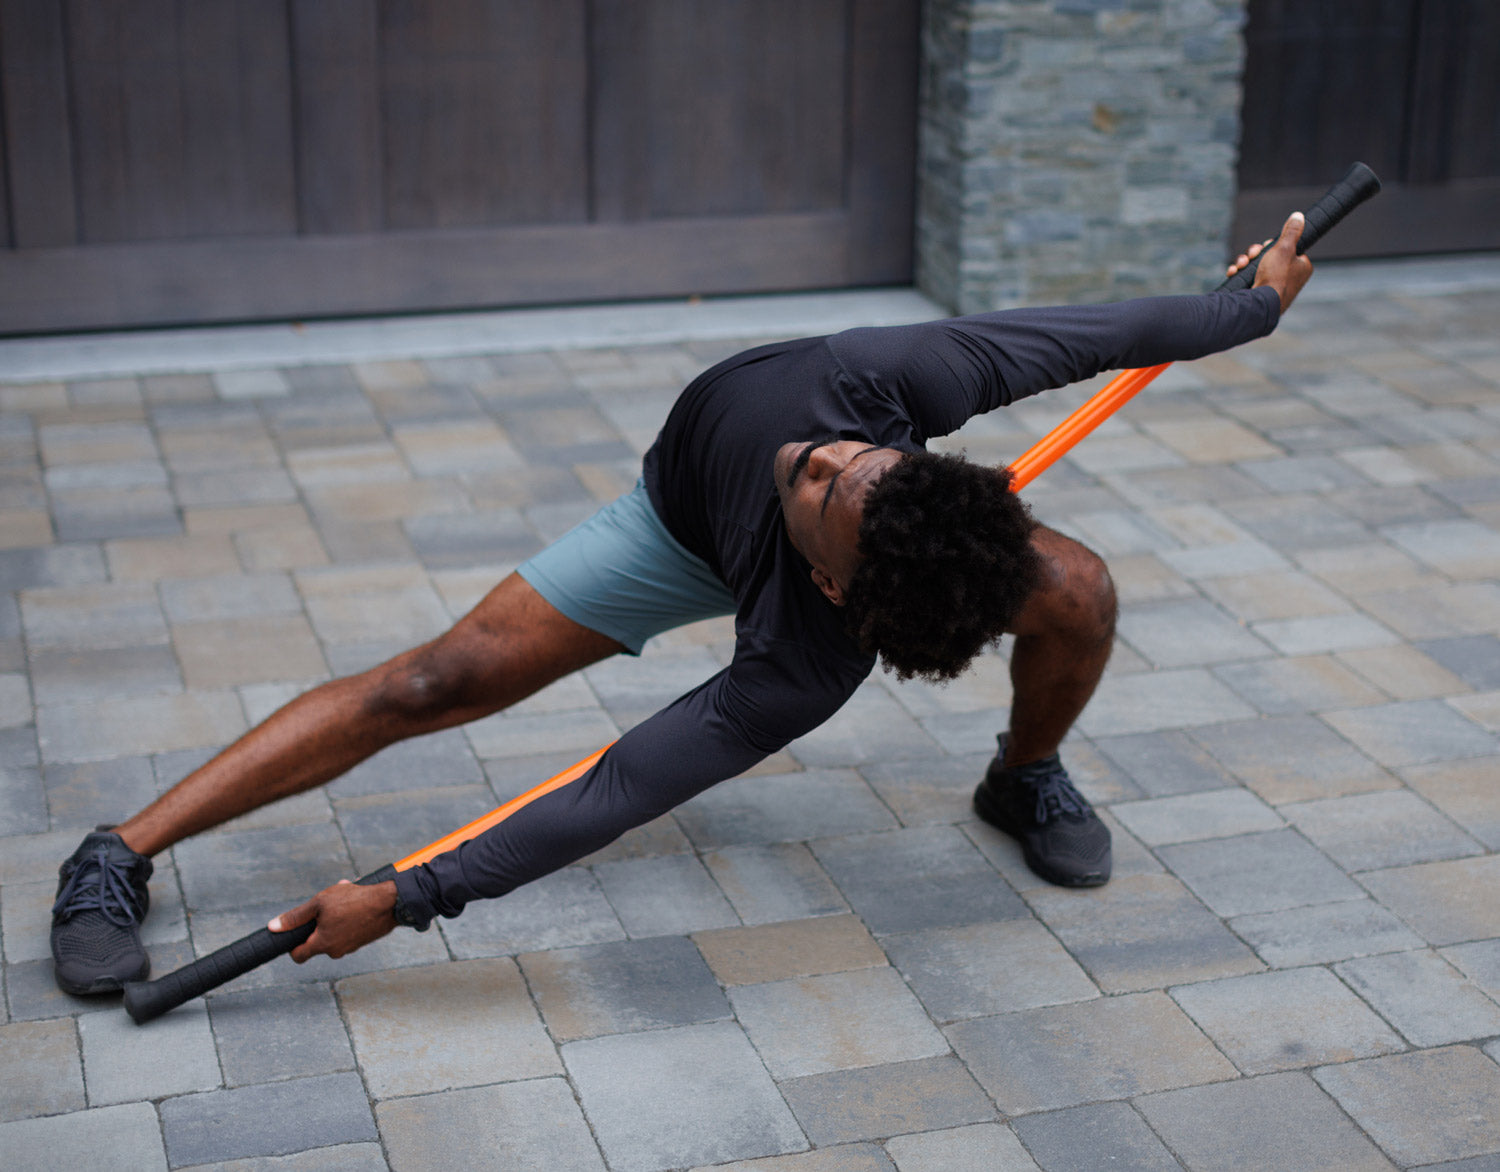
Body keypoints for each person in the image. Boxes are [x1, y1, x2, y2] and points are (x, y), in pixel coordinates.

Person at [49, 216, 1312, 995]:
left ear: (837, 586)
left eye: (832, 485)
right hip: (677, 527)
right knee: (434, 682)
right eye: (853, 458)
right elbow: (1110, 333)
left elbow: (617, 785)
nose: (816, 456)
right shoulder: (885, 382)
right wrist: (1247, 306)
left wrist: (407, 894)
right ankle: (117, 852)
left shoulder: (805, 667)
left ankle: (1021, 772)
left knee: (1075, 585)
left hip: (803, 586)